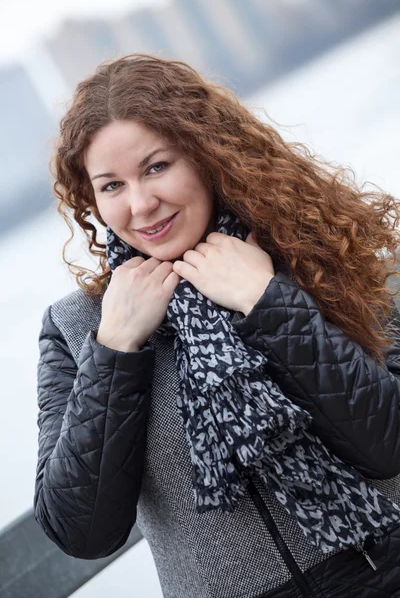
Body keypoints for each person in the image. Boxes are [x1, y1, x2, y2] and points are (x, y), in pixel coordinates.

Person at [34, 54, 400, 598]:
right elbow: (81, 531)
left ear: (208, 156)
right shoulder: (80, 325)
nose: (140, 203)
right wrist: (114, 349)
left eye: (157, 166)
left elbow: (388, 443)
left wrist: (268, 302)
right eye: (111, 186)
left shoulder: (325, 256)